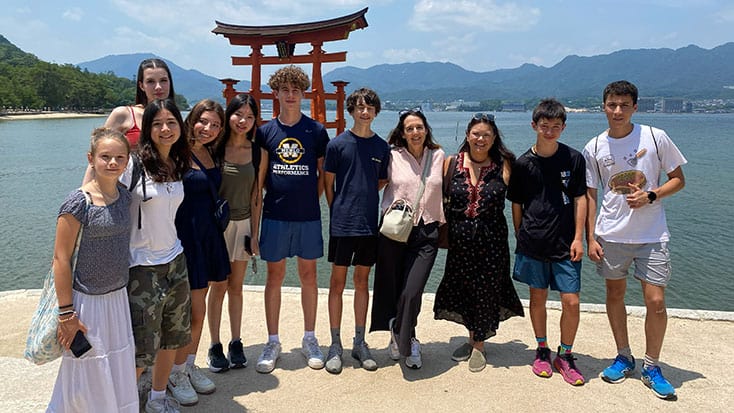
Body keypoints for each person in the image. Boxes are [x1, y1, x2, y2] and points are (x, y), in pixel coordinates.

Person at [583, 80, 686, 400]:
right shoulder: (594, 146)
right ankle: (624, 355)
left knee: (655, 302)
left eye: (624, 105)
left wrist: (652, 194)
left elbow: (678, 180)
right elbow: (589, 194)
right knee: (615, 295)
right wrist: (590, 236)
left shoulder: (655, 137)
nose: (617, 111)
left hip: (652, 235)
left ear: (635, 107)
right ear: (604, 106)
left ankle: (652, 366)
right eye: (612, 105)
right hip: (611, 235)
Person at [48, 128, 137, 412]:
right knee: (87, 372)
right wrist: (66, 314)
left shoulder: (125, 197)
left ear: (127, 160)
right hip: (87, 302)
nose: (112, 163)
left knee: (117, 364)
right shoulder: (78, 202)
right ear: (91, 158)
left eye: (119, 157)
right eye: (105, 157)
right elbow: (61, 259)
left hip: (118, 298)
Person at [433, 113, 524, 373]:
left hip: (492, 240)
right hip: (459, 241)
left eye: (486, 135)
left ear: (494, 138)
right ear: (467, 135)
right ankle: (472, 336)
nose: (480, 139)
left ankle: (479, 345)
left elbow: (519, 201)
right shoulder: (451, 163)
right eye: (476, 134)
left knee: (486, 290)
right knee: (463, 289)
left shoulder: (505, 164)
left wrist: (521, 233)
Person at [254, 65, 330, 374]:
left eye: (295, 90)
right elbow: (259, 179)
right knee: (274, 277)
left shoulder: (316, 131)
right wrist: (255, 224)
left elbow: (323, 175)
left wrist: (312, 202)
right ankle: (273, 340)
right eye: (284, 90)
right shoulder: (265, 132)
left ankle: (309, 338)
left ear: (303, 94)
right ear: (276, 93)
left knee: (309, 276)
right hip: (274, 214)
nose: (289, 95)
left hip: (307, 216)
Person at [507, 99, 587, 386]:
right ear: (534, 126)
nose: (550, 131)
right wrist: (519, 233)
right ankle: (542, 349)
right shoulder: (523, 163)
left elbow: (580, 198)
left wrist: (580, 237)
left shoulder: (574, 158)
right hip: (533, 240)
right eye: (545, 126)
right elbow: (516, 202)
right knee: (537, 297)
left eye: (556, 127)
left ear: (563, 127)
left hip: (566, 242)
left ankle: (565, 355)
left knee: (572, 301)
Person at [122, 98, 192, 413]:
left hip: (175, 261)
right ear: (147, 128)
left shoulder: (177, 163)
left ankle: (157, 399)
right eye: (157, 124)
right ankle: (122, 405)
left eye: (172, 123)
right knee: (141, 348)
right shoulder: (132, 164)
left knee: (172, 338)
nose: (165, 129)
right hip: (142, 268)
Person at [370, 108, 445, 370]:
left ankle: (407, 338)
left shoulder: (438, 156)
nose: (415, 132)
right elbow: (374, 183)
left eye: (419, 127)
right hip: (394, 230)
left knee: (412, 291)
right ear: (402, 133)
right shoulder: (391, 156)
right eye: (410, 128)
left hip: (427, 232)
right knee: (392, 287)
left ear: (426, 130)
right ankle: (400, 335)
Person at [323, 88, 390, 374]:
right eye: (360, 107)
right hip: (342, 224)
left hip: (367, 224)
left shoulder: (381, 147)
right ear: (351, 110)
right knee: (337, 283)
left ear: (376, 112)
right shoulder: (337, 144)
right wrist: (340, 207)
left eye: (370, 108)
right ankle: (335, 343)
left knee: (362, 282)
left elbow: (381, 181)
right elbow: (329, 184)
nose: (365, 112)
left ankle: (360, 342)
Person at [168, 99, 229, 405]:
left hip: (208, 234)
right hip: (184, 237)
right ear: (191, 120)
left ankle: (188, 366)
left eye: (216, 124)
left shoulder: (211, 152)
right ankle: (175, 372)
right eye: (203, 121)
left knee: (199, 304)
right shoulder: (176, 152)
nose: (208, 128)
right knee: (189, 308)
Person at [206, 94, 261, 373]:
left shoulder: (257, 151)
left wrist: (256, 233)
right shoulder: (215, 148)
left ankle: (235, 341)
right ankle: (214, 345)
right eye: (238, 115)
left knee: (236, 287)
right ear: (229, 116)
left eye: (250, 117)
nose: (243, 121)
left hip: (243, 226)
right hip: (219, 227)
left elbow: (256, 197)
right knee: (218, 286)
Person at [82, 59, 175, 184]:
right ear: (141, 86)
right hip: (126, 192)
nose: (158, 87)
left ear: (170, 83)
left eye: (163, 81)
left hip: (167, 192)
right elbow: (97, 156)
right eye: (151, 81)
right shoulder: (124, 115)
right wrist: (86, 194)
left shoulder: (175, 120)